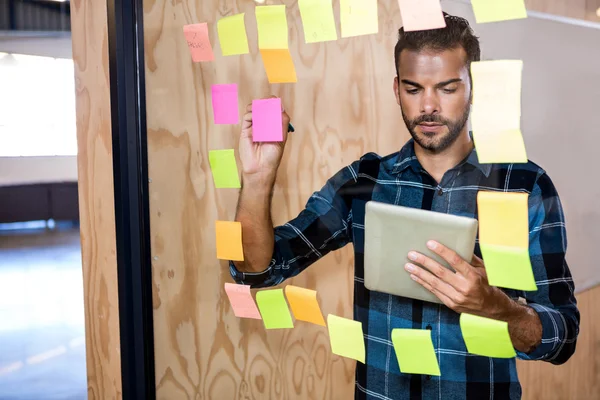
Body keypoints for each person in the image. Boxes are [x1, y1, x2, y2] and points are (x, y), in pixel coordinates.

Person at [229, 13, 579, 400]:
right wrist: (257, 179)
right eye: (414, 89)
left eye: (447, 89)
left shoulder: (524, 187)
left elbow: (563, 337)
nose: (428, 107)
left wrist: (496, 306)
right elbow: (258, 270)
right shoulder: (364, 181)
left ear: (474, 86)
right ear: (397, 89)